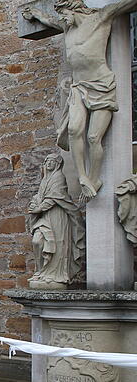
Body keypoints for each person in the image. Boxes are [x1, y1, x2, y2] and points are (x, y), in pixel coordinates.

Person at [22, 0, 137, 200]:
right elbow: (49, 20)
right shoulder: (67, 27)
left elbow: (125, 5)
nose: (63, 19)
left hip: (101, 85)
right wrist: (35, 13)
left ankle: (94, 178)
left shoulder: (101, 17)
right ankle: (83, 176)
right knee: (74, 129)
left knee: (93, 137)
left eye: (65, 14)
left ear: (75, 9)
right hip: (78, 87)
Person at [28, 153, 84, 288]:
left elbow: (55, 196)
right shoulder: (45, 179)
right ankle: (41, 271)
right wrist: (34, 203)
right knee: (37, 240)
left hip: (57, 215)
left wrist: (39, 208)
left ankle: (56, 275)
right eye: (47, 161)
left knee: (57, 244)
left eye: (52, 161)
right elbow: (40, 196)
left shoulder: (59, 177)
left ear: (58, 164)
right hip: (45, 216)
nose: (49, 163)